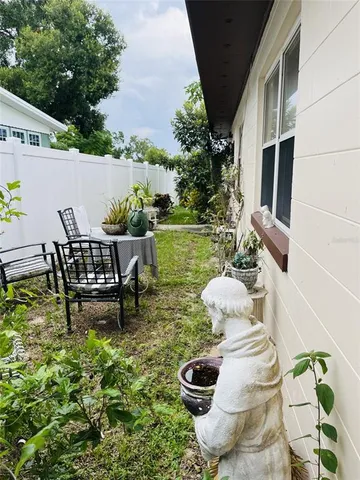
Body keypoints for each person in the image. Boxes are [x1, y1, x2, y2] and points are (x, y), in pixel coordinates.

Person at [194, 276, 291, 479]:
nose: (208, 313)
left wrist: (198, 413)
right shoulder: (264, 345)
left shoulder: (236, 374)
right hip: (277, 457)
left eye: (209, 308)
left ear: (220, 311)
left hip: (249, 469)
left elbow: (217, 442)